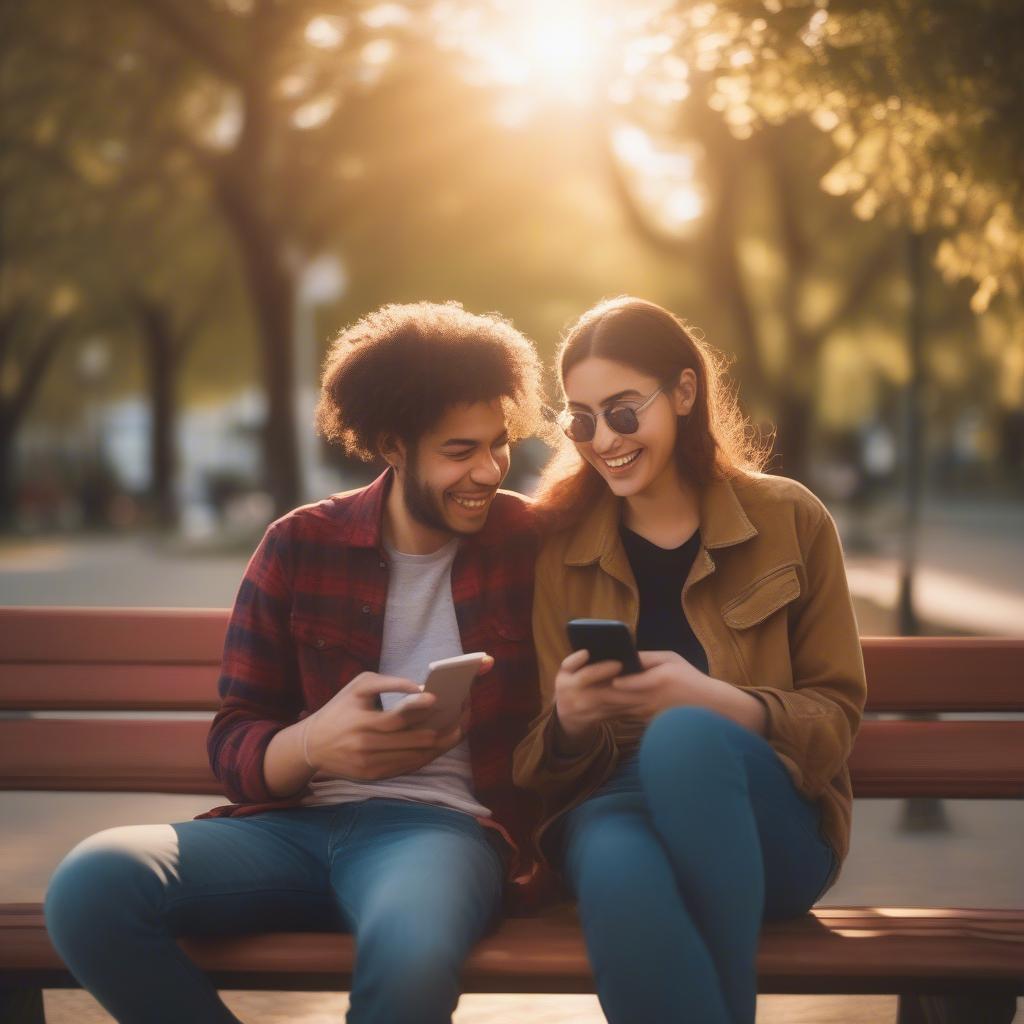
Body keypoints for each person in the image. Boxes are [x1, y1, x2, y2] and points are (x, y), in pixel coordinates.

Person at [45, 301, 546, 1024]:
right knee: (91, 884)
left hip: (442, 832)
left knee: (410, 946)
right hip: (287, 830)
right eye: (459, 450)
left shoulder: (528, 541)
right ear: (391, 444)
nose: (489, 470)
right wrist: (312, 744)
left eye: (499, 445)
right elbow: (236, 736)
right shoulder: (300, 543)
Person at [514, 296, 867, 1024]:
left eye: (622, 411)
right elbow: (535, 766)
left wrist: (715, 703)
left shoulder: (789, 519)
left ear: (683, 391)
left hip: (768, 822)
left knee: (684, 737)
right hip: (613, 805)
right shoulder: (562, 550)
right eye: (581, 420)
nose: (602, 439)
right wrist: (572, 723)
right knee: (614, 874)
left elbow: (836, 717)